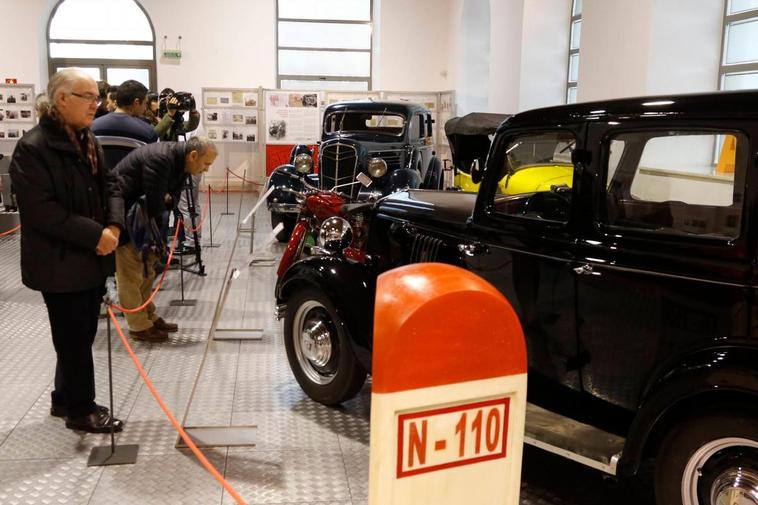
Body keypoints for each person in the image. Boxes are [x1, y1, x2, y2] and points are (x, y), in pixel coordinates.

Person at [8, 68, 125, 434]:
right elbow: (44, 212)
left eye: (97, 97)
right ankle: (81, 409)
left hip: (89, 256)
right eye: (87, 97)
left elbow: (111, 184)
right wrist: (96, 235)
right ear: (62, 100)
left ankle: (63, 396)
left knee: (81, 333)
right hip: (59, 263)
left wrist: (114, 225)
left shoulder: (88, 139)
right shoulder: (33, 148)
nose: (97, 104)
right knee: (73, 338)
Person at [107, 136, 217, 342]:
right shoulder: (161, 159)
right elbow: (156, 200)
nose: (206, 169)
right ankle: (138, 326)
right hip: (128, 217)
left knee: (148, 269)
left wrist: (165, 201)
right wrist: (163, 201)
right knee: (130, 272)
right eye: (206, 163)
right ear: (193, 155)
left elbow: (170, 198)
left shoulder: (181, 162)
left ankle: (148, 315)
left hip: (145, 218)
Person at [92, 79, 158, 144]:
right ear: (136, 103)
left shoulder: (93, 127)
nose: (145, 108)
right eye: (145, 103)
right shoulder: (148, 132)